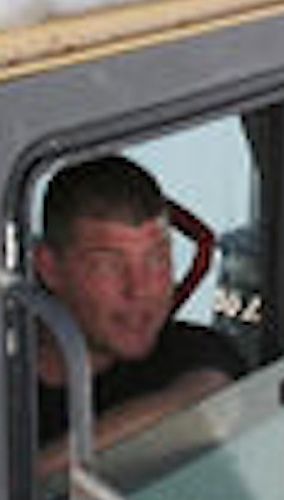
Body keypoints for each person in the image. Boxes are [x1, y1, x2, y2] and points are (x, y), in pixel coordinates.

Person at [34, 155, 245, 473]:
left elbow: (205, 404)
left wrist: (29, 479)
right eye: (108, 264)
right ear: (50, 268)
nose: (140, 288)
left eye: (156, 259)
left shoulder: (188, 352)